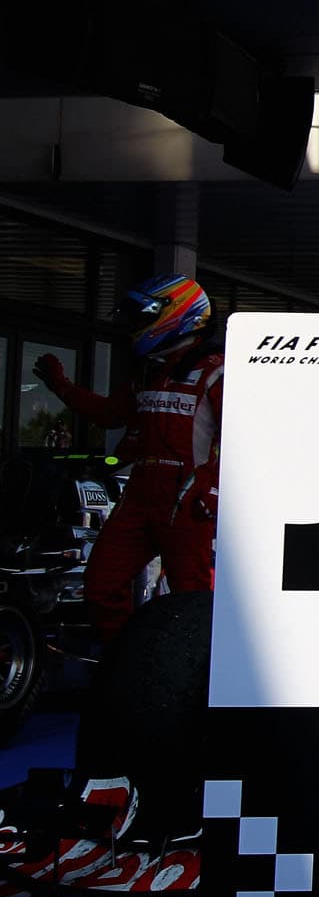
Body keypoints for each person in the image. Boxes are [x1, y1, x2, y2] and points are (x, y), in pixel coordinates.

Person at [33, 274, 223, 643]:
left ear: (176, 314)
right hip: (139, 495)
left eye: (141, 316)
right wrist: (62, 387)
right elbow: (110, 414)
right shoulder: (150, 372)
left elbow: (241, 436)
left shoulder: (216, 370)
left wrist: (210, 487)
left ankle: (195, 677)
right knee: (101, 584)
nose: (134, 326)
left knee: (193, 597)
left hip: (188, 498)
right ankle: (128, 665)